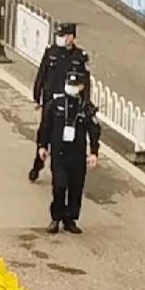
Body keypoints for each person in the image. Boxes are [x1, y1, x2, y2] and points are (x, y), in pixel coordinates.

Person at [36, 66, 100, 233]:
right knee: (59, 186)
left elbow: (94, 131)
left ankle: (70, 219)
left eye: (75, 85)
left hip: (77, 155)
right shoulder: (55, 105)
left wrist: (94, 152)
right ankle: (56, 217)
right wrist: (43, 146)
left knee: (75, 188)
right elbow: (46, 127)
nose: (71, 87)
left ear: (81, 87)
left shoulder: (85, 108)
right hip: (59, 154)